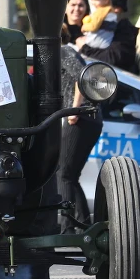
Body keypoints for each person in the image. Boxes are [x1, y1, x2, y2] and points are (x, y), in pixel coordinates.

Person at [58, 39, 103, 233]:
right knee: (70, 175)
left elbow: (81, 77)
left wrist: (74, 110)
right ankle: (83, 225)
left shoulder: (63, 51)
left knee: (64, 174)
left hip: (80, 117)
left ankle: (67, 226)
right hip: (88, 118)